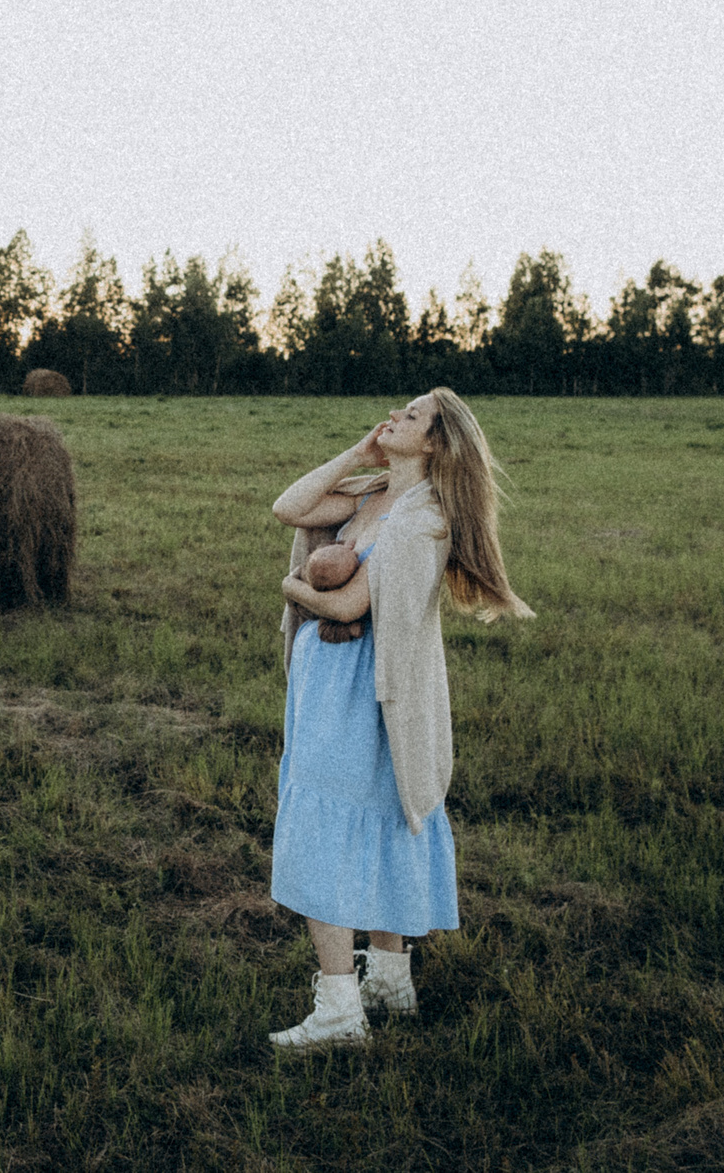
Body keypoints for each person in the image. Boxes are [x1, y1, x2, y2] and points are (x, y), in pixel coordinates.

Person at [265, 388, 534, 1049]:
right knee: (376, 815)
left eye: (412, 416)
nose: (396, 417)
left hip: (367, 688)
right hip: (333, 682)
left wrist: (293, 588)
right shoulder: (375, 494)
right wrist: (359, 453)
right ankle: (388, 980)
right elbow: (289, 507)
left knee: (332, 827)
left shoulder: (423, 521)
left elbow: (348, 603)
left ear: (437, 442)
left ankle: (338, 1010)